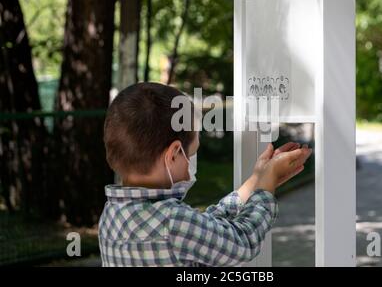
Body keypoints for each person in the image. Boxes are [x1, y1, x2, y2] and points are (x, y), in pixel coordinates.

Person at [99, 82, 312, 266]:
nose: (192, 160)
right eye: (191, 153)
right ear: (173, 154)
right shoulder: (173, 222)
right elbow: (242, 242)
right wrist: (265, 190)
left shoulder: (112, 215)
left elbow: (204, 229)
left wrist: (257, 181)